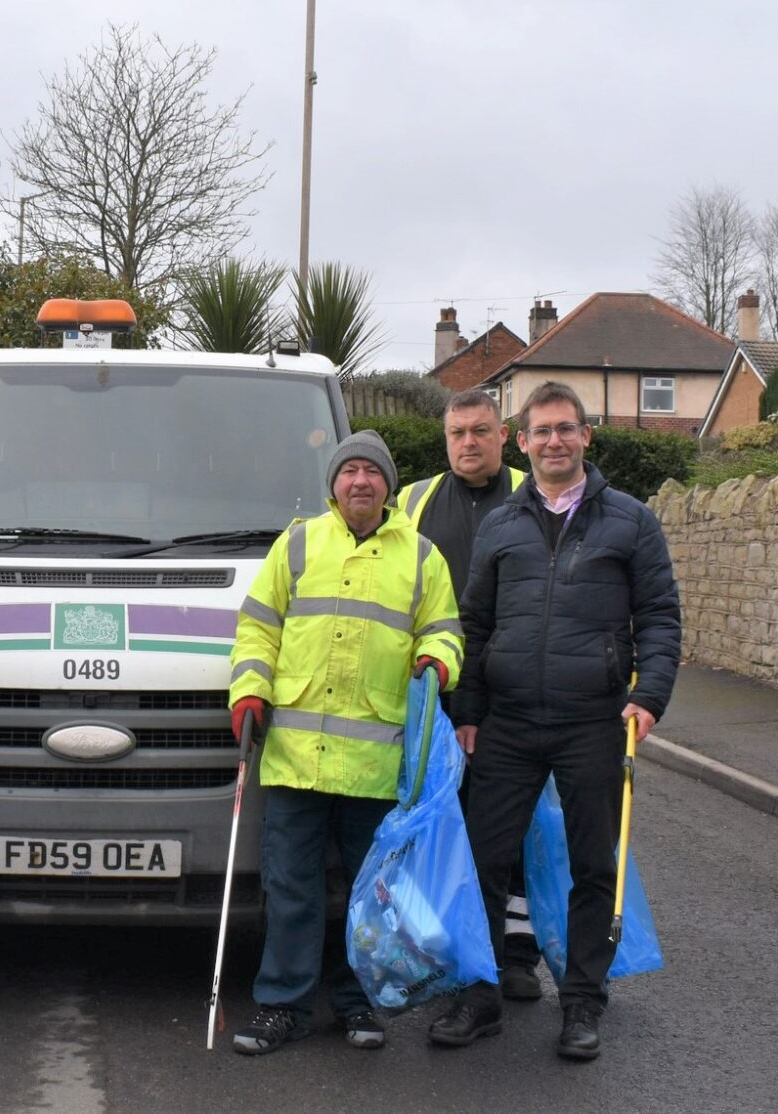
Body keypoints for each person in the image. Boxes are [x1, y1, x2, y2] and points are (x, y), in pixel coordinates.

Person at [429, 381, 680, 1062]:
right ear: (524, 441)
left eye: (566, 429)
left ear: (586, 436)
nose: (554, 442)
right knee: (483, 859)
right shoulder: (501, 527)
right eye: (541, 431)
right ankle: (478, 996)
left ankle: (581, 1003)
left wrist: (649, 694)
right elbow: (475, 626)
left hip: (592, 720)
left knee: (593, 866)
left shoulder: (631, 521)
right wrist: (470, 713)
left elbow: (659, 617)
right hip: (508, 721)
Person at [226, 430, 463, 1057]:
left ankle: (360, 1006)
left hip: (376, 763)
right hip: (294, 760)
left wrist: (438, 662)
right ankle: (282, 1007)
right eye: (349, 470)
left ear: (388, 486)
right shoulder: (297, 543)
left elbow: (445, 631)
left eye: (372, 472)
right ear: (334, 483)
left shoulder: (421, 556)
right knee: (292, 891)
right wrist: (247, 692)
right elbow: (257, 627)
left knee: (369, 898)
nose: (360, 481)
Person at [399, 390, 542, 1001]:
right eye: (457, 433)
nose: (467, 444)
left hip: (518, 693)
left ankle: (516, 956)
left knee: (518, 832)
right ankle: (444, 945)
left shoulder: (532, 493)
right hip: (439, 693)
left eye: (480, 431)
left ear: (504, 435)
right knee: (439, 822)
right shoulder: (414, 500)